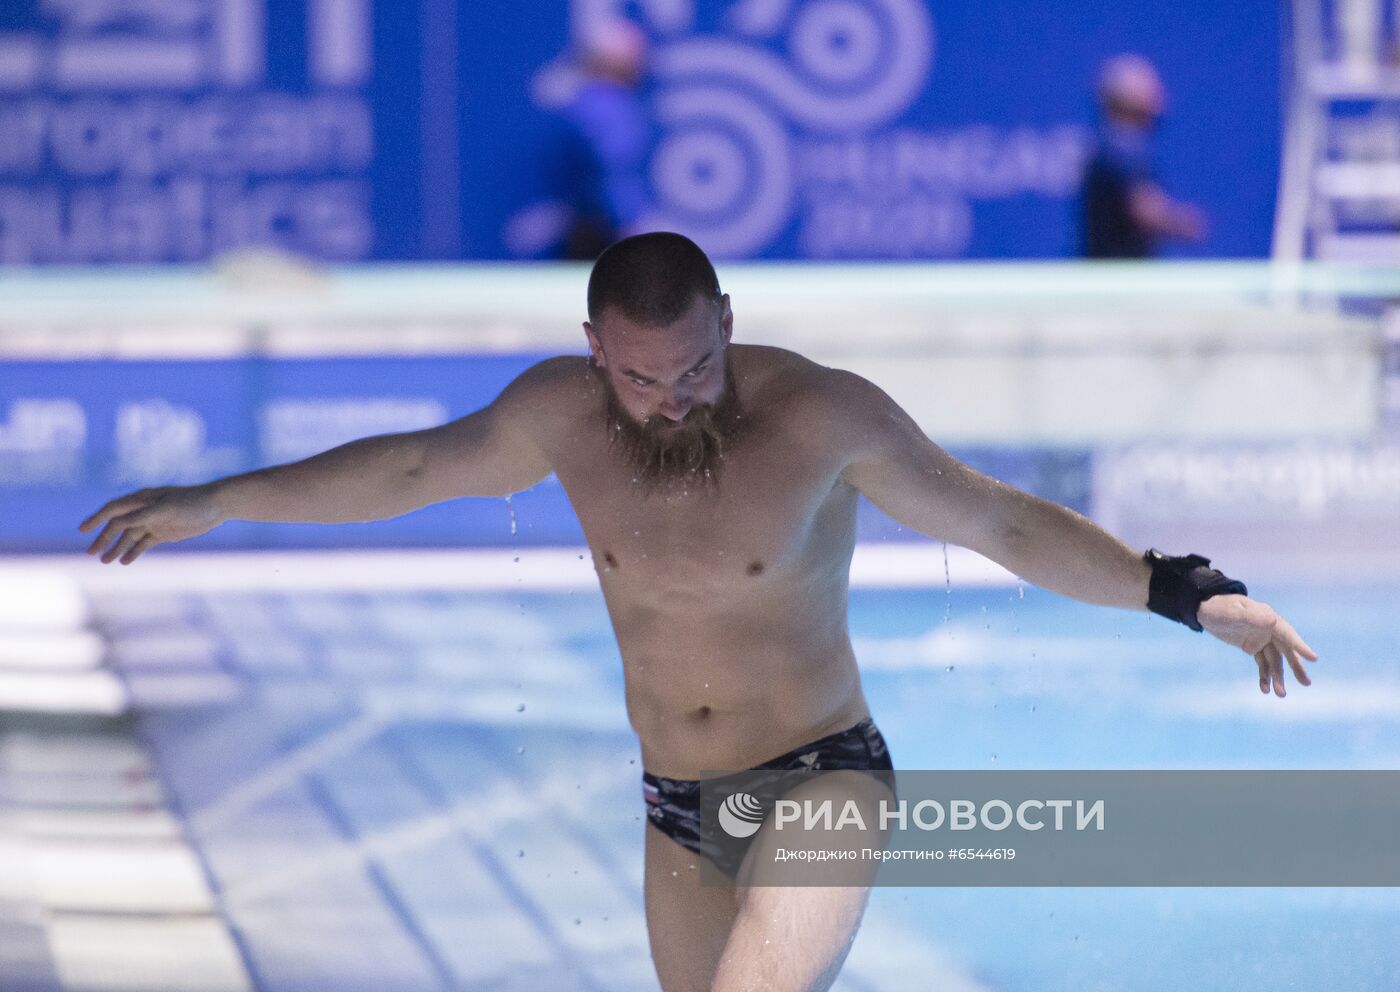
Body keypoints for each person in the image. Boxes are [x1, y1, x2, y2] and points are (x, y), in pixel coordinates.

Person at [80, 232, 1317, 992]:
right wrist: (219, 497)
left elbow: (997, 521)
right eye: (638, 378)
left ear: (727, 323)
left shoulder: (824, 417)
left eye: (693, 371)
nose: (670, 402)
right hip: (677, 804)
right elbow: (405, 469)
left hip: (825, 774)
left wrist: (1182, 590)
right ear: (590, 351)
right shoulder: (557, 413)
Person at [1080, 54, 1208, 258]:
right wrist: (1179, 221)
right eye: (1149, 89)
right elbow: (1143, 208)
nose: (1159, 97)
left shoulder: (1118, 147)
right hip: (1115, 283)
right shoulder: (1117, 149)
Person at [553, 18, 655, 260]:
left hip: (587, 226)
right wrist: (629, 221)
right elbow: (614, 170)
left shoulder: (582, 102)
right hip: (608, 233)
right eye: (636, 54)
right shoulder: (611, 107)